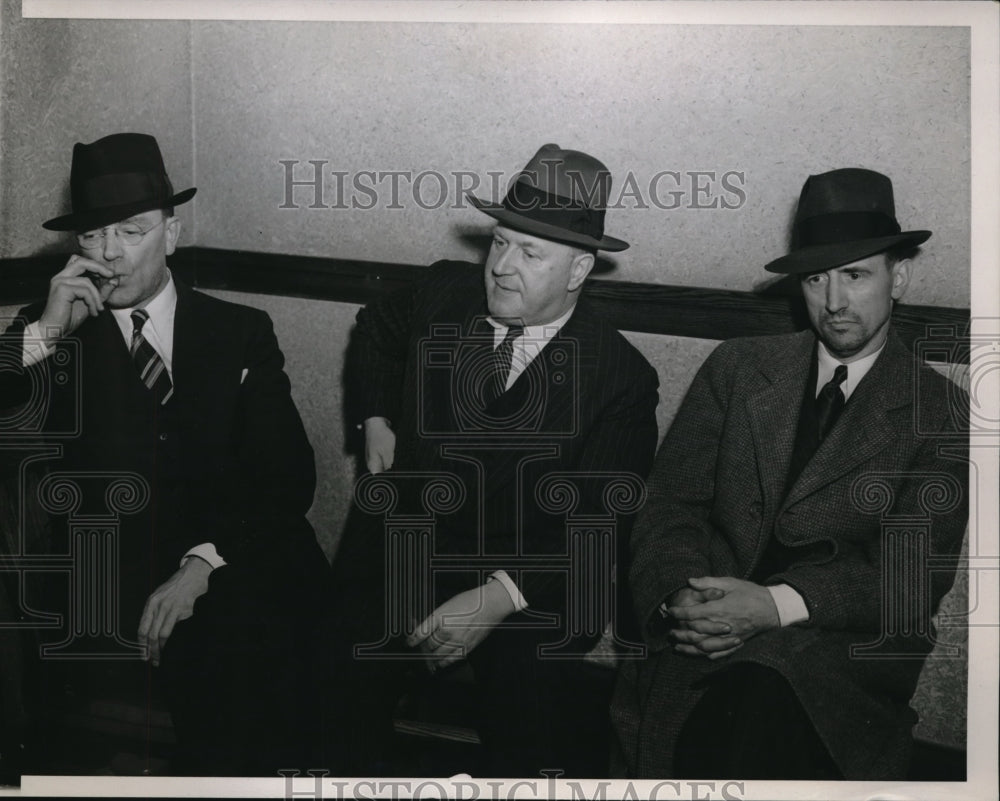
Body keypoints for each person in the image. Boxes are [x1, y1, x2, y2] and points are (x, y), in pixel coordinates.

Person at [611, 168, 969, 780]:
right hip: (705, 623)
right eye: (815, 278)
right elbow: (670, 505)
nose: (834, 302)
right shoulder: (737, 368)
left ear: (900, 278)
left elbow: (909, 579)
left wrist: (774, 606)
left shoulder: (939, 411)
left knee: (760, 703)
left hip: (839, 649)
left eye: (855, 275)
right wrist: (679, 597)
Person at [325, 144, 659, 777]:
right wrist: (375, 416)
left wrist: (498, 597)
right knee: (334, 684)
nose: (501, 268)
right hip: (408, 542)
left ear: (579, 270)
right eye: (500, 243)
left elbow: (594, 524)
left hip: (534, 573)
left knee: (532, 716)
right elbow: (375, 328)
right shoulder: (443, 290)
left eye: (531, 253)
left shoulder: (621, 379)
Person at [0, 132, 329, 775]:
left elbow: (287, 475)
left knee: (281, 614)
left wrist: (203, 562)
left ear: (171, 235)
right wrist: (43, 335)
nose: (110, 254)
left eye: (131, 232)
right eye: (93, 236)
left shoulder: (239, 330)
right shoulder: (48, 332)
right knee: (221, 655)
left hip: (226, 551)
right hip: (111, 568)